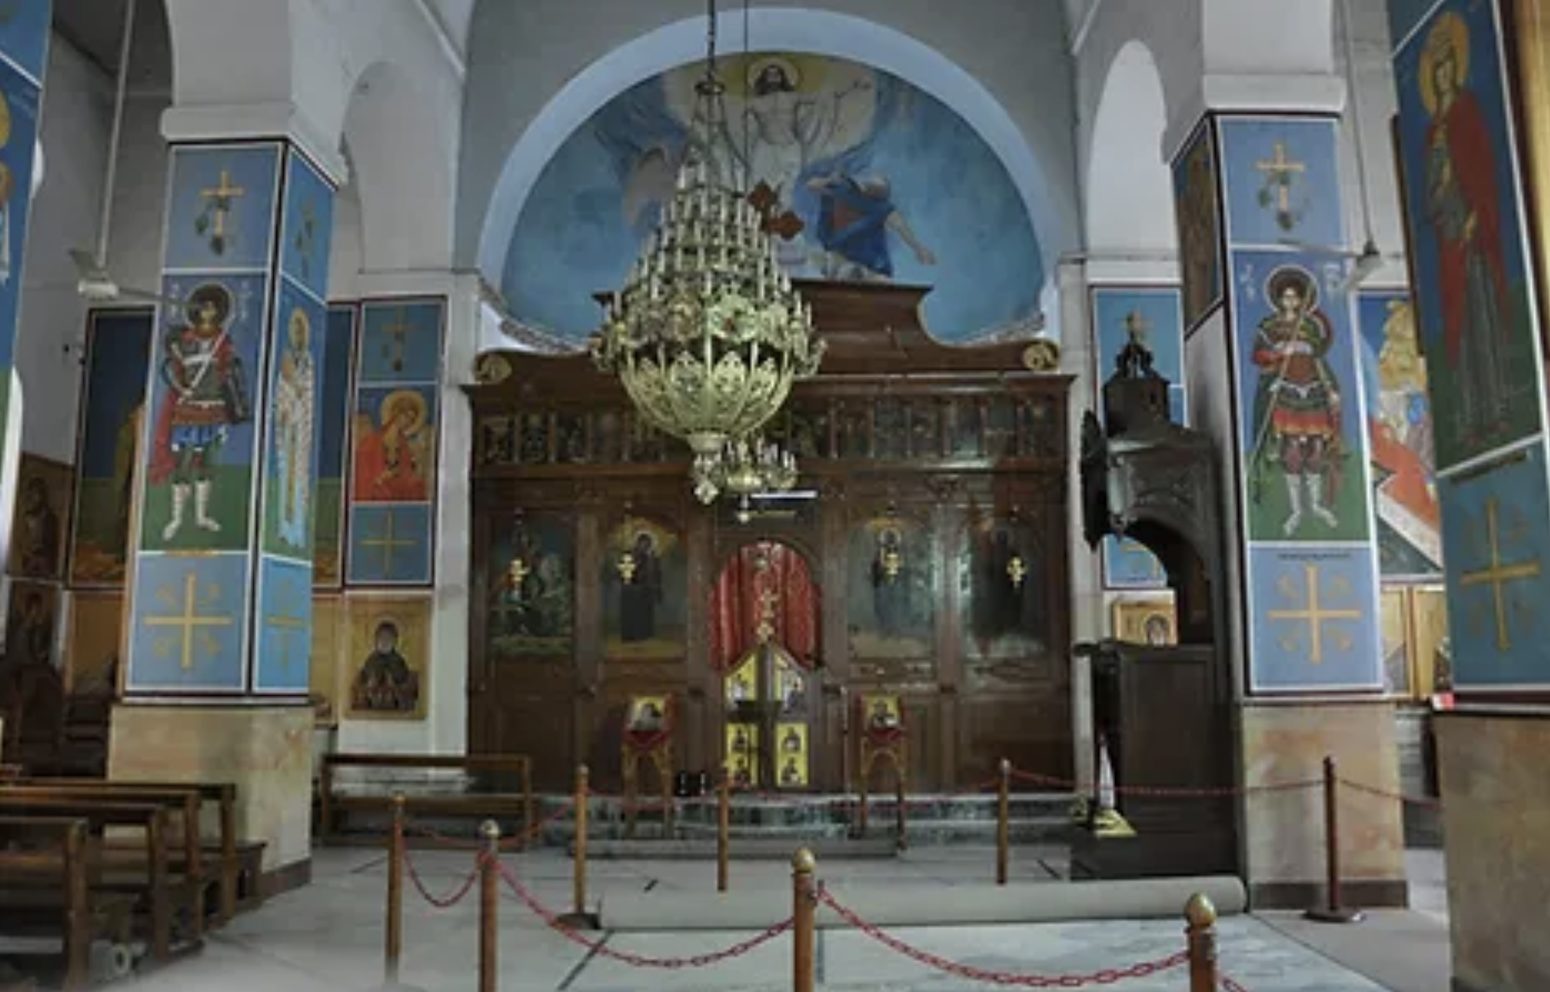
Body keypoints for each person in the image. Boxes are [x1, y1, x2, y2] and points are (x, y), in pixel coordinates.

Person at [1422, 13, 1512, 447]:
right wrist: (1439, 187)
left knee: (1481, 319)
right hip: (1449, 236)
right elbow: (1429, 194)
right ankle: (1468, 418)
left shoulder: (1466, 112)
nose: (1442, 75)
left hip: (1472, 233)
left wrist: (1476, 213)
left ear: (1455, 68)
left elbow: (1481, 169)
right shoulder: (1432, 132)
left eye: (1447, 66)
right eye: (1436, 69)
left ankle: (1495, 410)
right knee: (1456, 326)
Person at [149, 282, 250, 542]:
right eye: (204, 308)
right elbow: (172, 370)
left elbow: (228, 371)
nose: (208, 312)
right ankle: (176, 518)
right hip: (188, 409)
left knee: (208, 463)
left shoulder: (222, 341)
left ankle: (201, 516)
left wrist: (229, 374)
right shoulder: (184, 340)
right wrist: (182, 388)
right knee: (183, 463)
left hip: (213, 409)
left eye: (213, 308)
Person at [1249, 267, 1342, 537]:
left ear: (1301, 300)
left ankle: (1315, 506)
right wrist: (1278, 353)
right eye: (1286, 297)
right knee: (1291, 451)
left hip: (1312, 390)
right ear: (1279, 299)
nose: (1290, 301)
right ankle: (1296, 510)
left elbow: (1320, 354)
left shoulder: (1310, 325)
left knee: (1316, 449)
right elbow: (1258, 356)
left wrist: (1330, 389)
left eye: (1295, 297)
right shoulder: (1269, 326)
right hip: (1286, 390)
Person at [807, 170, 935, 279]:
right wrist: (829, 180)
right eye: (867, 185)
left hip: (867, 263)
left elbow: (899, 225)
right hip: (837, 252)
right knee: (817, 259)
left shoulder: (880, 208)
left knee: (851, 271)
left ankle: (856, 273)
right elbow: (812, 185)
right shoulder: (843, 190)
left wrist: (919, 249)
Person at [273, 307, 315, 550]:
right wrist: (287, 407)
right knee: (285, 478)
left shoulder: (308, 361)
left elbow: (308, 392)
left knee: (299, 479)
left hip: (301, 429)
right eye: (295, 330)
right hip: (289, 426)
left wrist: (301, 403)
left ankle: (297, 532)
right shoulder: (286, 357)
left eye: (301, 330)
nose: (298, 334)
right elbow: (282, 388)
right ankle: (284, 528)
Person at [353, 390, 430, 502]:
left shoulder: (403, 444)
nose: (407, 422)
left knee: (417, 484)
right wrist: (381, 477)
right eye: (406, 416)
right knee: (383, 491)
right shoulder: (373, 440)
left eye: (411, 419)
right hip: (377, 482)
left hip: (395, 482)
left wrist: (396, 472)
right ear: (396, 414)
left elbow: (405, 468)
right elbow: (364, 466)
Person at [352, 620, 418, 712]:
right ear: (376, 640)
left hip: (394, 699)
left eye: (388, 638)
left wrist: (393, 682)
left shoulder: (398, 660)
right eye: (381, 638)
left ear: (395, 641)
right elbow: (365, 677)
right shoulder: (371, 659)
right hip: (373, 698)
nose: (384, 641)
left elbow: (404, 678)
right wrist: (370, 682)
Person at [619, 531, 662, 642]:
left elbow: (656, 573)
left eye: (647, 544)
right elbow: (625, 572)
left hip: (646, 590)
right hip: (632, 590)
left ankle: (645, 635)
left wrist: (656, 587)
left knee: (645, 613)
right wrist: (637, 565)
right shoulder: (630, 555)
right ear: (638, 543)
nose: (645, 546)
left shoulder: (652, 557)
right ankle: (631, 636)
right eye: (643, 543)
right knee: (633, 614)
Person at [15, 475, 58, 578]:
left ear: (42, 495)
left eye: (36, 493)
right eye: (31, 493)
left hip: (45, 564)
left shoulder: (51, 518)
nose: (33, 497)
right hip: (29, 562)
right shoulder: (27, 516)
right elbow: (21, 541)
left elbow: (52, 544)